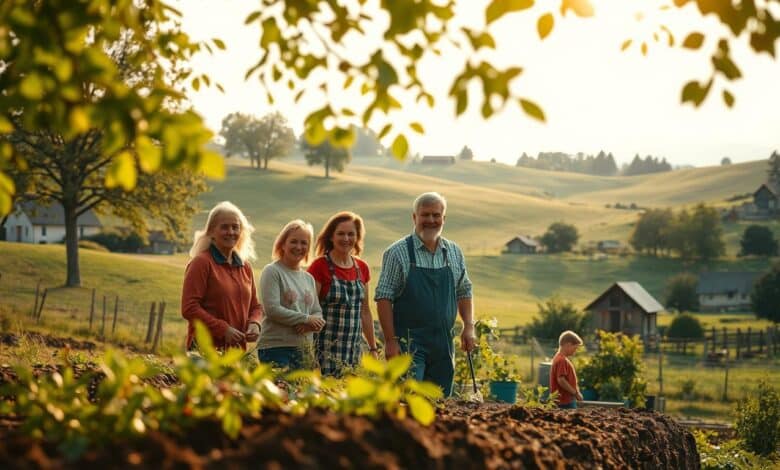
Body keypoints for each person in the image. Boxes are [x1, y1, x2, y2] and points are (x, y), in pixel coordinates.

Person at [375, 192, 475, 396]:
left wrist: (469, 326)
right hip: (409, 343)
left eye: (436, 215)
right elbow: (384, 297)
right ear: (414, 217)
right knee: (408, 401)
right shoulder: (397, 252)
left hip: (443, 344)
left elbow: (464, 290)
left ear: (444, 219)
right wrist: (390, 341)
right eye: (425, 215)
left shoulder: (454, 252)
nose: (431, 220)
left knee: (439, 404)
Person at [181, 201, 263, 351]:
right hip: (204, 352)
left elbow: (255, 306)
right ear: (211, 232)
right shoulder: (201, 263)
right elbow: (189, 308)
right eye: (224, 227)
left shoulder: (245, 267)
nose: (231, 232)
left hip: (236, 352)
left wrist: (254, 323)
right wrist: (223, 329)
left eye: (235, 227)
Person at [308, 211, 379, 376]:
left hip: (352, 350)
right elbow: (310, 310)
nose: (346, 238)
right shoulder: (319, 266)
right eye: (340, 233)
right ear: (331, 237)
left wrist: (373, 347)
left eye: (350, 234)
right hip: (323, 350)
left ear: (357, 237)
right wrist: (309, 353)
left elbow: (365, 311)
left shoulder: (362, 268)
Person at [258, 220, 325, 369]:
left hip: (304, 350)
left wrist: (312, 325)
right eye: (293, 242)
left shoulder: (308, 278)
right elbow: (272, 309)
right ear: (282, 244)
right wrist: (306, 319)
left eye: (304, 243)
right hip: (275, 348)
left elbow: (317, 311)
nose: (299, 247)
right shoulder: (272, 271)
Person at [550, 330, 584, 409]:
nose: (575, 351)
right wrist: (575, 393)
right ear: (568, 345)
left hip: (564, 401)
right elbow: (561, 380)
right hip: (564, 402)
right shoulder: (561, 360)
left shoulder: (559, 358)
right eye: (575, 348)